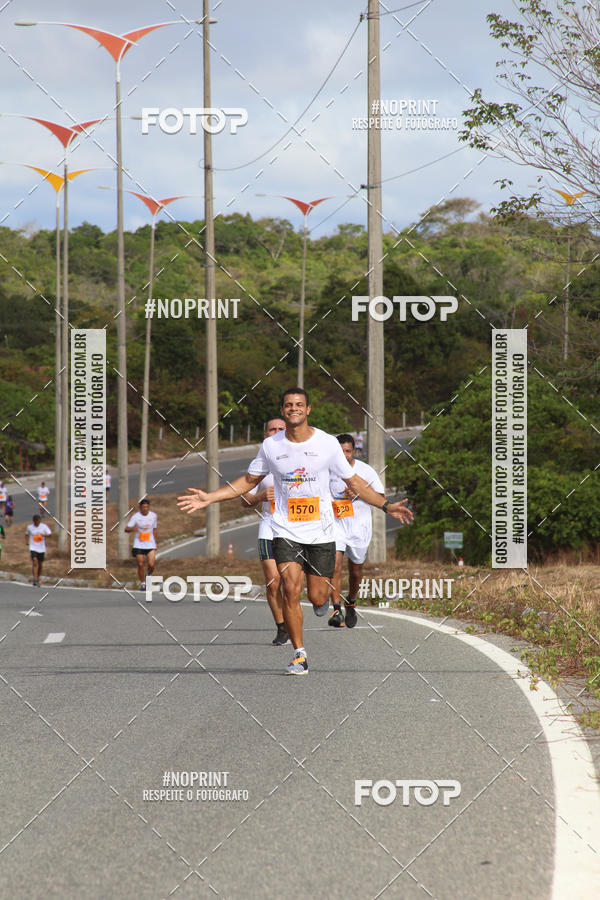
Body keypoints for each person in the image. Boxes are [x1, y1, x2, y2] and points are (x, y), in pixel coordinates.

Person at [178, 388, 413, 675]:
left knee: (317, 597)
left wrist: (386, 506)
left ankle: (321, 601)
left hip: (321, 531)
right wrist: (210, 498)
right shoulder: (271, 446)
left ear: (308, 409)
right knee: (289, 587)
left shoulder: (327, 444)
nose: (294, 408)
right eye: (288, 404)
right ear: (282, 410)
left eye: (299, 404)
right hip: (285, 527)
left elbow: (354, 483)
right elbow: (249, 480)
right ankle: (299, 654)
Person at [328, 433, 385, 629]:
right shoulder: (328, 470)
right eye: (340, 451)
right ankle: (336, 609)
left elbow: (380, 496)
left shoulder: (365, 471)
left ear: (354, 452)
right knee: (335, 565)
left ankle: (351, 601)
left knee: (355, 571)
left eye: (348, 451)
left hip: (359, 527)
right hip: (336, 525)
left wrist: (359, 493)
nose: (344, 455)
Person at [241, 417, 289, 646]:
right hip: (269, 527)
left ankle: (294, 619)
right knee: (273, 582)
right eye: (272, 429)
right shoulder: (260, 465)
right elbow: (244, 499)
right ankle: (282, 627)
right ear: (266, 435)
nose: (277, 432)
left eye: (281, 428)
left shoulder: (299, 459)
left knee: (292, 583)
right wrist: (260, 496)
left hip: (297, 529)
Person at [125, 499, 158, 590]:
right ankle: (143, 583)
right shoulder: (136, 517)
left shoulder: (153, 516)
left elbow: (155, 529)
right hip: (139, 544)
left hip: (150, 543)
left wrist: (156, 542)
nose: (145, 509)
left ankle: (148, 574)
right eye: (143, 507)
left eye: (147, 507)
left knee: (151, 565)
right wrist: (132, 529)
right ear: (140, 507)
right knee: (140, 564)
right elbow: (126, 529)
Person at [25, 514, 51, 586]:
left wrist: (44, 535)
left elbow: (50, 535)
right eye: (35, 521)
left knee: (40, 564)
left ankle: (38, 577)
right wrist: (26, 541)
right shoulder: (29, 527)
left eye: (38, 521)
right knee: (35, 562)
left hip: (41, 548)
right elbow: (26, 534)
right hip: (33, 547)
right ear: (33, 521)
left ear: (40, 521)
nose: (37, 522)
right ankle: (35, 579)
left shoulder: (44, 527)